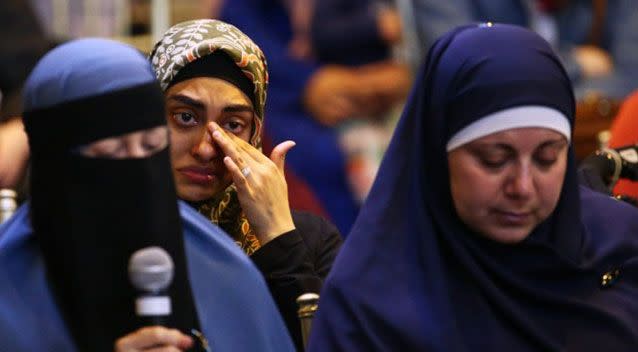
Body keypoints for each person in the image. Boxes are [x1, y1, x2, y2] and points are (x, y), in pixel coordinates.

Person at [308, 23, 638, 351]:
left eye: (547, 158)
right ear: (436, 154)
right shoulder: (370, 307)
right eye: (494, 159)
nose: (522, 187)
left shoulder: (615, 252)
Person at [0, 38, 294, 351]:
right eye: (111, 152)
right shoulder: (9, 290)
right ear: (53, 162)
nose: (137, 169)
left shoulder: (224, 273)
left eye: (151, 148)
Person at [149, 19, 342, 350]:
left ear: (255, 135)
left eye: (233, 125)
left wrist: (278, 236)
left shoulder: (310, 242)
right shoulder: (118, 234)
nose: (207, 148)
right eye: (185, 117)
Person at [410, 0, 638, 100]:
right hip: (484, 153)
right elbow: (465, 73)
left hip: (590, 145)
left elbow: (631, 78)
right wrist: (572, 64)